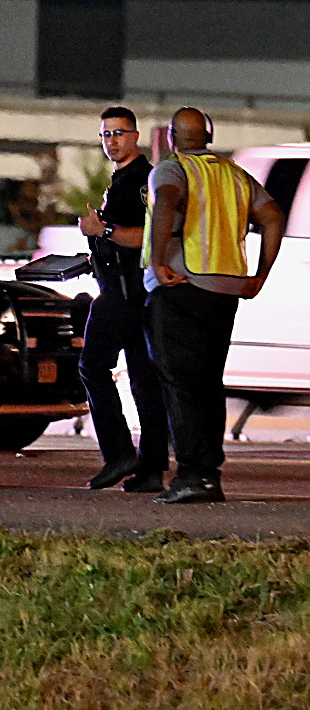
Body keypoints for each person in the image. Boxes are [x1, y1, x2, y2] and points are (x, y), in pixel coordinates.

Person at [144, 107, 284, 504]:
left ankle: (194, 475)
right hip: (225, 292)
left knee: (180, 383)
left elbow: (167, 201)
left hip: (182, 284)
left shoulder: (172, 171)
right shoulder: (235, 174)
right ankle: (209, 473)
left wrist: (157, 260)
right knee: (207, 383)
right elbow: (273, 217)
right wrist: (260, 275)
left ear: (172, 137)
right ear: (209, 135)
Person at [78, 106, 170, 493]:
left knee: (92, 367)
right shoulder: (124, 181)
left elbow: (145, 236)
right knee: (146, 383)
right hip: (136, 293)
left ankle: (119, 453)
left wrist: (105, 229)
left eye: (118, 133)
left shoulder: (139, 181)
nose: (112, 141)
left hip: (123, 293)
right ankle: (150, 470)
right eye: (105, 135)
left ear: (135, 136)